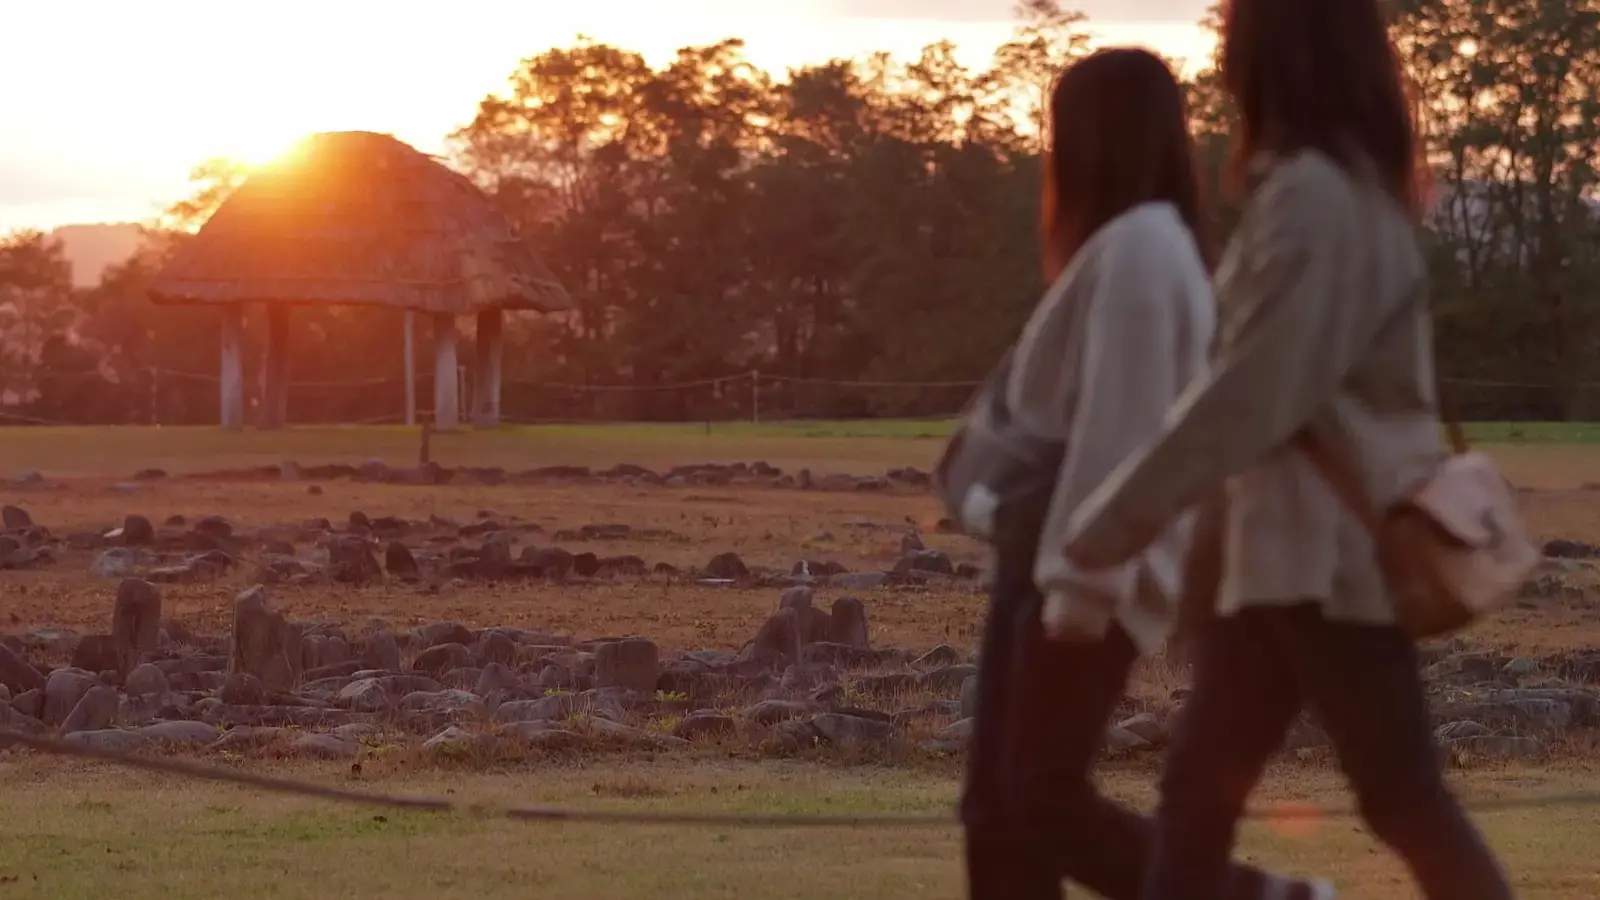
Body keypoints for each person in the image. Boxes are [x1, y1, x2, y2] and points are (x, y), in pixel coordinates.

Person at [1055, 3, 1515, 900]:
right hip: (1285, 562)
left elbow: (1254, 395)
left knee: (1398, 797)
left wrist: (1109, 524)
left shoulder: (1311, 196)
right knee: (1202, 800)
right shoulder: (1360, 189)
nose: (1225, 59)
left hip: (1326, 558)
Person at [958, 46, 1334, 900]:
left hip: (1079, 572)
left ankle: (1267, 899)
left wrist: (1080, 592)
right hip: (1067, 566)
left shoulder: (1136, 253)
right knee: (1006, 812)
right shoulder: (1148, 249)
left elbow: (1117, 435)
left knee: (1034, 803)